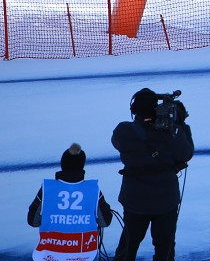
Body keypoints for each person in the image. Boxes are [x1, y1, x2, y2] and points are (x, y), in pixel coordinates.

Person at [112, 88, 195, 261]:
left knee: (129, 244)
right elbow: (186, 153)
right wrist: (181, 125)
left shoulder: (124, 132)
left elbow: (116, 140)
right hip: (166, 200)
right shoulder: (170, 132)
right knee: (164, 247)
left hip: (135, 200)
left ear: (134, 110)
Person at [28, 143, 113, 261]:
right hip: (85, 254)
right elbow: (105, 221)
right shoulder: (93, 189)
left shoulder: (47, 189)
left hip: (49, 254)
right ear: (82, 166)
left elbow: (32, 221)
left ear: (63, 164)